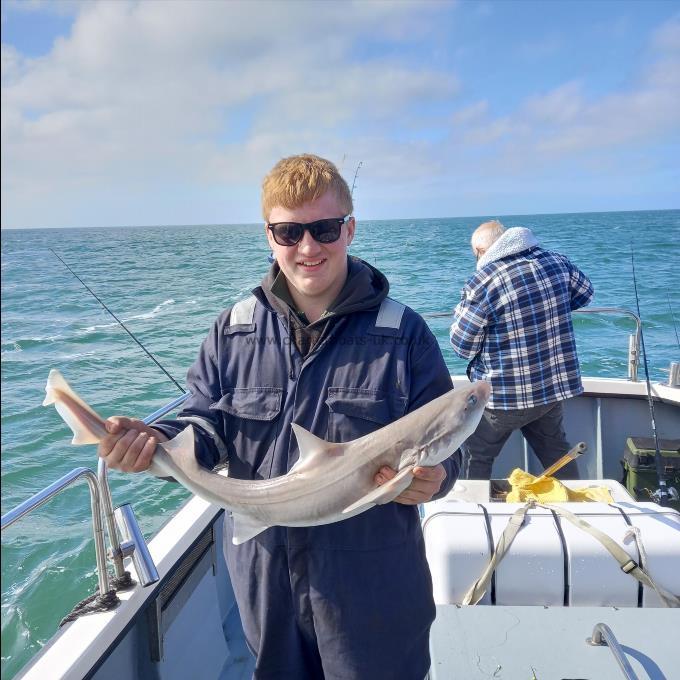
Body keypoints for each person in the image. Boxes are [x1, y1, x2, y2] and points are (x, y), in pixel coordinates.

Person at [98, 154, 460, 679]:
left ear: (350, 229)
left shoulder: (403, 334)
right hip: (266, 584)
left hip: (373, 586)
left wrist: (438, 478)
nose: (308, 248)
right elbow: (204, 426)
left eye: (325, 229)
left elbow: (454, 442)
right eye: (289, 232)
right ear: (269, 235)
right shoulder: (233, 331)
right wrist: (156, 442)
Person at [449, 219, 594, 480]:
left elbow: (462, 345)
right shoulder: (557, 262)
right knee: (557, 452)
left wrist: (461, 312)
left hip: (504, 396)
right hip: (550, 389)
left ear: (482, 251)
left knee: (476, 453)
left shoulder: (484, 281)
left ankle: (474, 509)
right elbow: (585, 293)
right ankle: (574, 502)